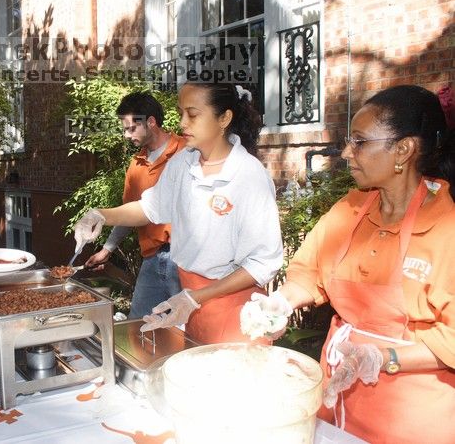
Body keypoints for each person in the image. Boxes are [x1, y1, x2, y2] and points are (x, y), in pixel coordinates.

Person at [241, 85, 455, 443]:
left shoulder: (446, 227)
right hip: (338, 400)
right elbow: (310, 273)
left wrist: (380, 357)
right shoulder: (351, 208)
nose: (346, 153)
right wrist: (281, 302)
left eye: (359, 142)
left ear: (403, 149)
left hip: (413, 416)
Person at [74, 82, 283, 344]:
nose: (183, 122)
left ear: (224, 118)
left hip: (235, 307)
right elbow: (151, 207)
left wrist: (197, 297)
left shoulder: (249, 176)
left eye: (193, 115)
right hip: (191, 297)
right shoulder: (183, 163)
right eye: (181, 112)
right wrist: (101, 215)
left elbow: (263, 262)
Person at [84, 92, 186, 318]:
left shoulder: (186, 151)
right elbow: (130, 212)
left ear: (151, 122)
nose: (126, 135)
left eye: (131, 128)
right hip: (151, 258)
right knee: (138, 326)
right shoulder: (136, 164)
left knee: (186, 330)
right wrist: (106, 250)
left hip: (184, 258)